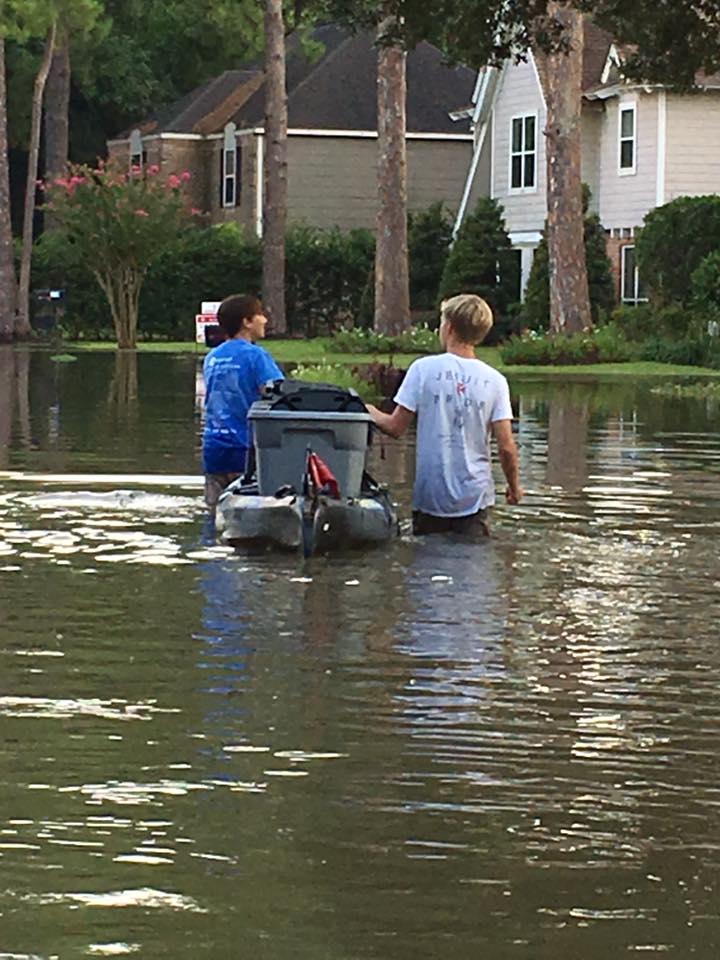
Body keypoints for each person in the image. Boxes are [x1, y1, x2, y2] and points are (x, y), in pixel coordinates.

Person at [367, 293, 523, 536]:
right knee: (473, 564)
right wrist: (514, 487)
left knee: (428, 563)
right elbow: (506, 447)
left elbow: (395, 427)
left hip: (431, 496)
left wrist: (368, 411)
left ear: (448, 327)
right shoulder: (496, 381)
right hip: (475, 496)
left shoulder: (423, 369)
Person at [202, 294, 284, 508]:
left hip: (213, 449)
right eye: (260, 315)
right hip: (245, 449)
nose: (265, 320)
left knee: (215, 512)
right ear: (246, 322)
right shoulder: (256, 356)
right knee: (251, 509)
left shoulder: (212, 357)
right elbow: (279, 395)